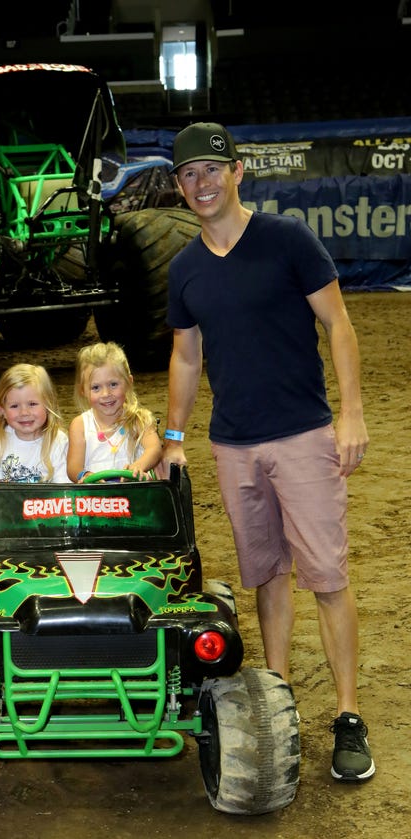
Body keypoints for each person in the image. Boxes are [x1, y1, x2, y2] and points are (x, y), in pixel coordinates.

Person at [157, 121, 375, 783]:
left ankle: (348, 716)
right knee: (267, 575)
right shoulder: (185, 269)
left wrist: (352, 413)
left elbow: (339, 324)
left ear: (237, 172)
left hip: (303, 435)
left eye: (211, 169)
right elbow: (186, 357)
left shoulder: (288, 239)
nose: (201, 183)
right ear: (179, 185)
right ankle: (279, 705)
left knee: (327, 578)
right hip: (234, 445)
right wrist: (172, 436)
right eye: (188, 174)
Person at [67, 341, 161, 482]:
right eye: (96, 388)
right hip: (95, 493)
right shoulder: (80, 425)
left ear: (128, 382)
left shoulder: (139, 419)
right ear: (83, 391)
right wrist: (85, 475)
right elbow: (73, 467)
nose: (106, 394)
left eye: (113, 384)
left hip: (132, 491)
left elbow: (154, 449)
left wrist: (138, 466)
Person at [0, 362, 69, 482]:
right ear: (2, 411)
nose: (24, 412)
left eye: (32, 404)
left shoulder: (58, 441)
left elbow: (64, 488)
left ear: (48, 405)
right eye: (14, 406)